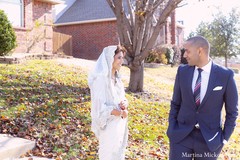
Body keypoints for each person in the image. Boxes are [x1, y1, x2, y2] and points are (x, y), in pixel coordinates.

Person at [167, 36, 238, 159]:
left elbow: (232, 112)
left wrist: (224, 139)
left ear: (200, 51)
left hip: (210, 140)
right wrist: (172, 129)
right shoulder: (182, 72)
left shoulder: (225, 75)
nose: (184, 55)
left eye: (187, 51)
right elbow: (175, 103)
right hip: (181, 137)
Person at [88, 45, 128, 160]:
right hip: (108, 127)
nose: (122, 61)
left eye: (122, 58)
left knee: (118, 155)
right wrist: (118, 112)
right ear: (110, 58)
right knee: (108, 155)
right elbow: (99, 108)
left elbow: (122, 97)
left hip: (119, 125)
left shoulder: (117, 78)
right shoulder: (100, 80)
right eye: (119, 58)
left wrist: (124, 104)